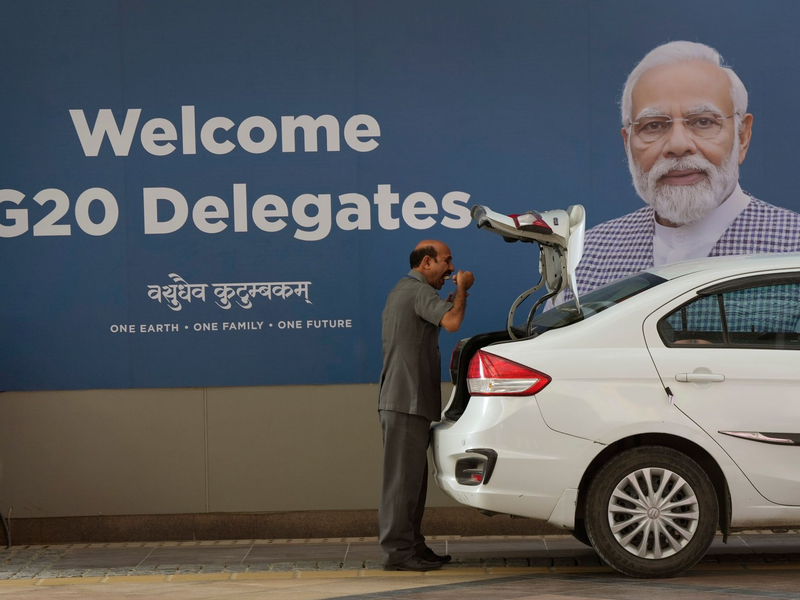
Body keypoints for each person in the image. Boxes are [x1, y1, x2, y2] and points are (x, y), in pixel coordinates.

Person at [561, 41, 800, 303]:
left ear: (742, 136)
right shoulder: (585, 259)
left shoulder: (793, 249)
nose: (678, 145)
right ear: (627, 144)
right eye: (653, 126)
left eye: (703, 122)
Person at [377, 240, 474, 571]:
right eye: (447, 262)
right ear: (426, 262)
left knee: (411, 484)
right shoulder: (417, 290)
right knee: (402, 483)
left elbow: (435, 320)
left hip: (407, 401)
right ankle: (399, 552)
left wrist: (449, 299)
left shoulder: (408, 291)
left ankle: (412, 547)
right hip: (406, 401)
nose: (450, 268)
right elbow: (453, 323)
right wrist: (462, 289)